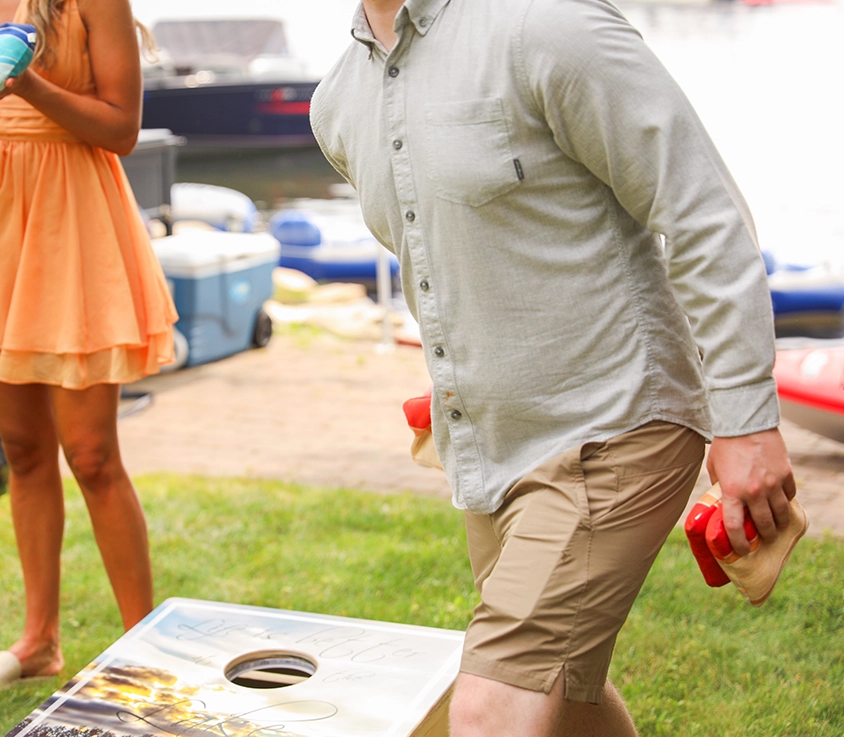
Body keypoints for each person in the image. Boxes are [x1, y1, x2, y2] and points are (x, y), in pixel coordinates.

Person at [310, 0, 797, 735]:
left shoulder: (550, 26)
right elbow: (446, 247)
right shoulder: (337, 103)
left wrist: (746, 418)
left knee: (486, 710)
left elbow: (702, 212)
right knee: (565, 700)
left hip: (617, 425)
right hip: (492, 457)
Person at [0, 0, 177, 704]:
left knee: (90, 453)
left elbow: (121, 129)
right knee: (22, 449)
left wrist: (26, 83)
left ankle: (142, 645)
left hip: (70, 211)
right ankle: (40, 640)